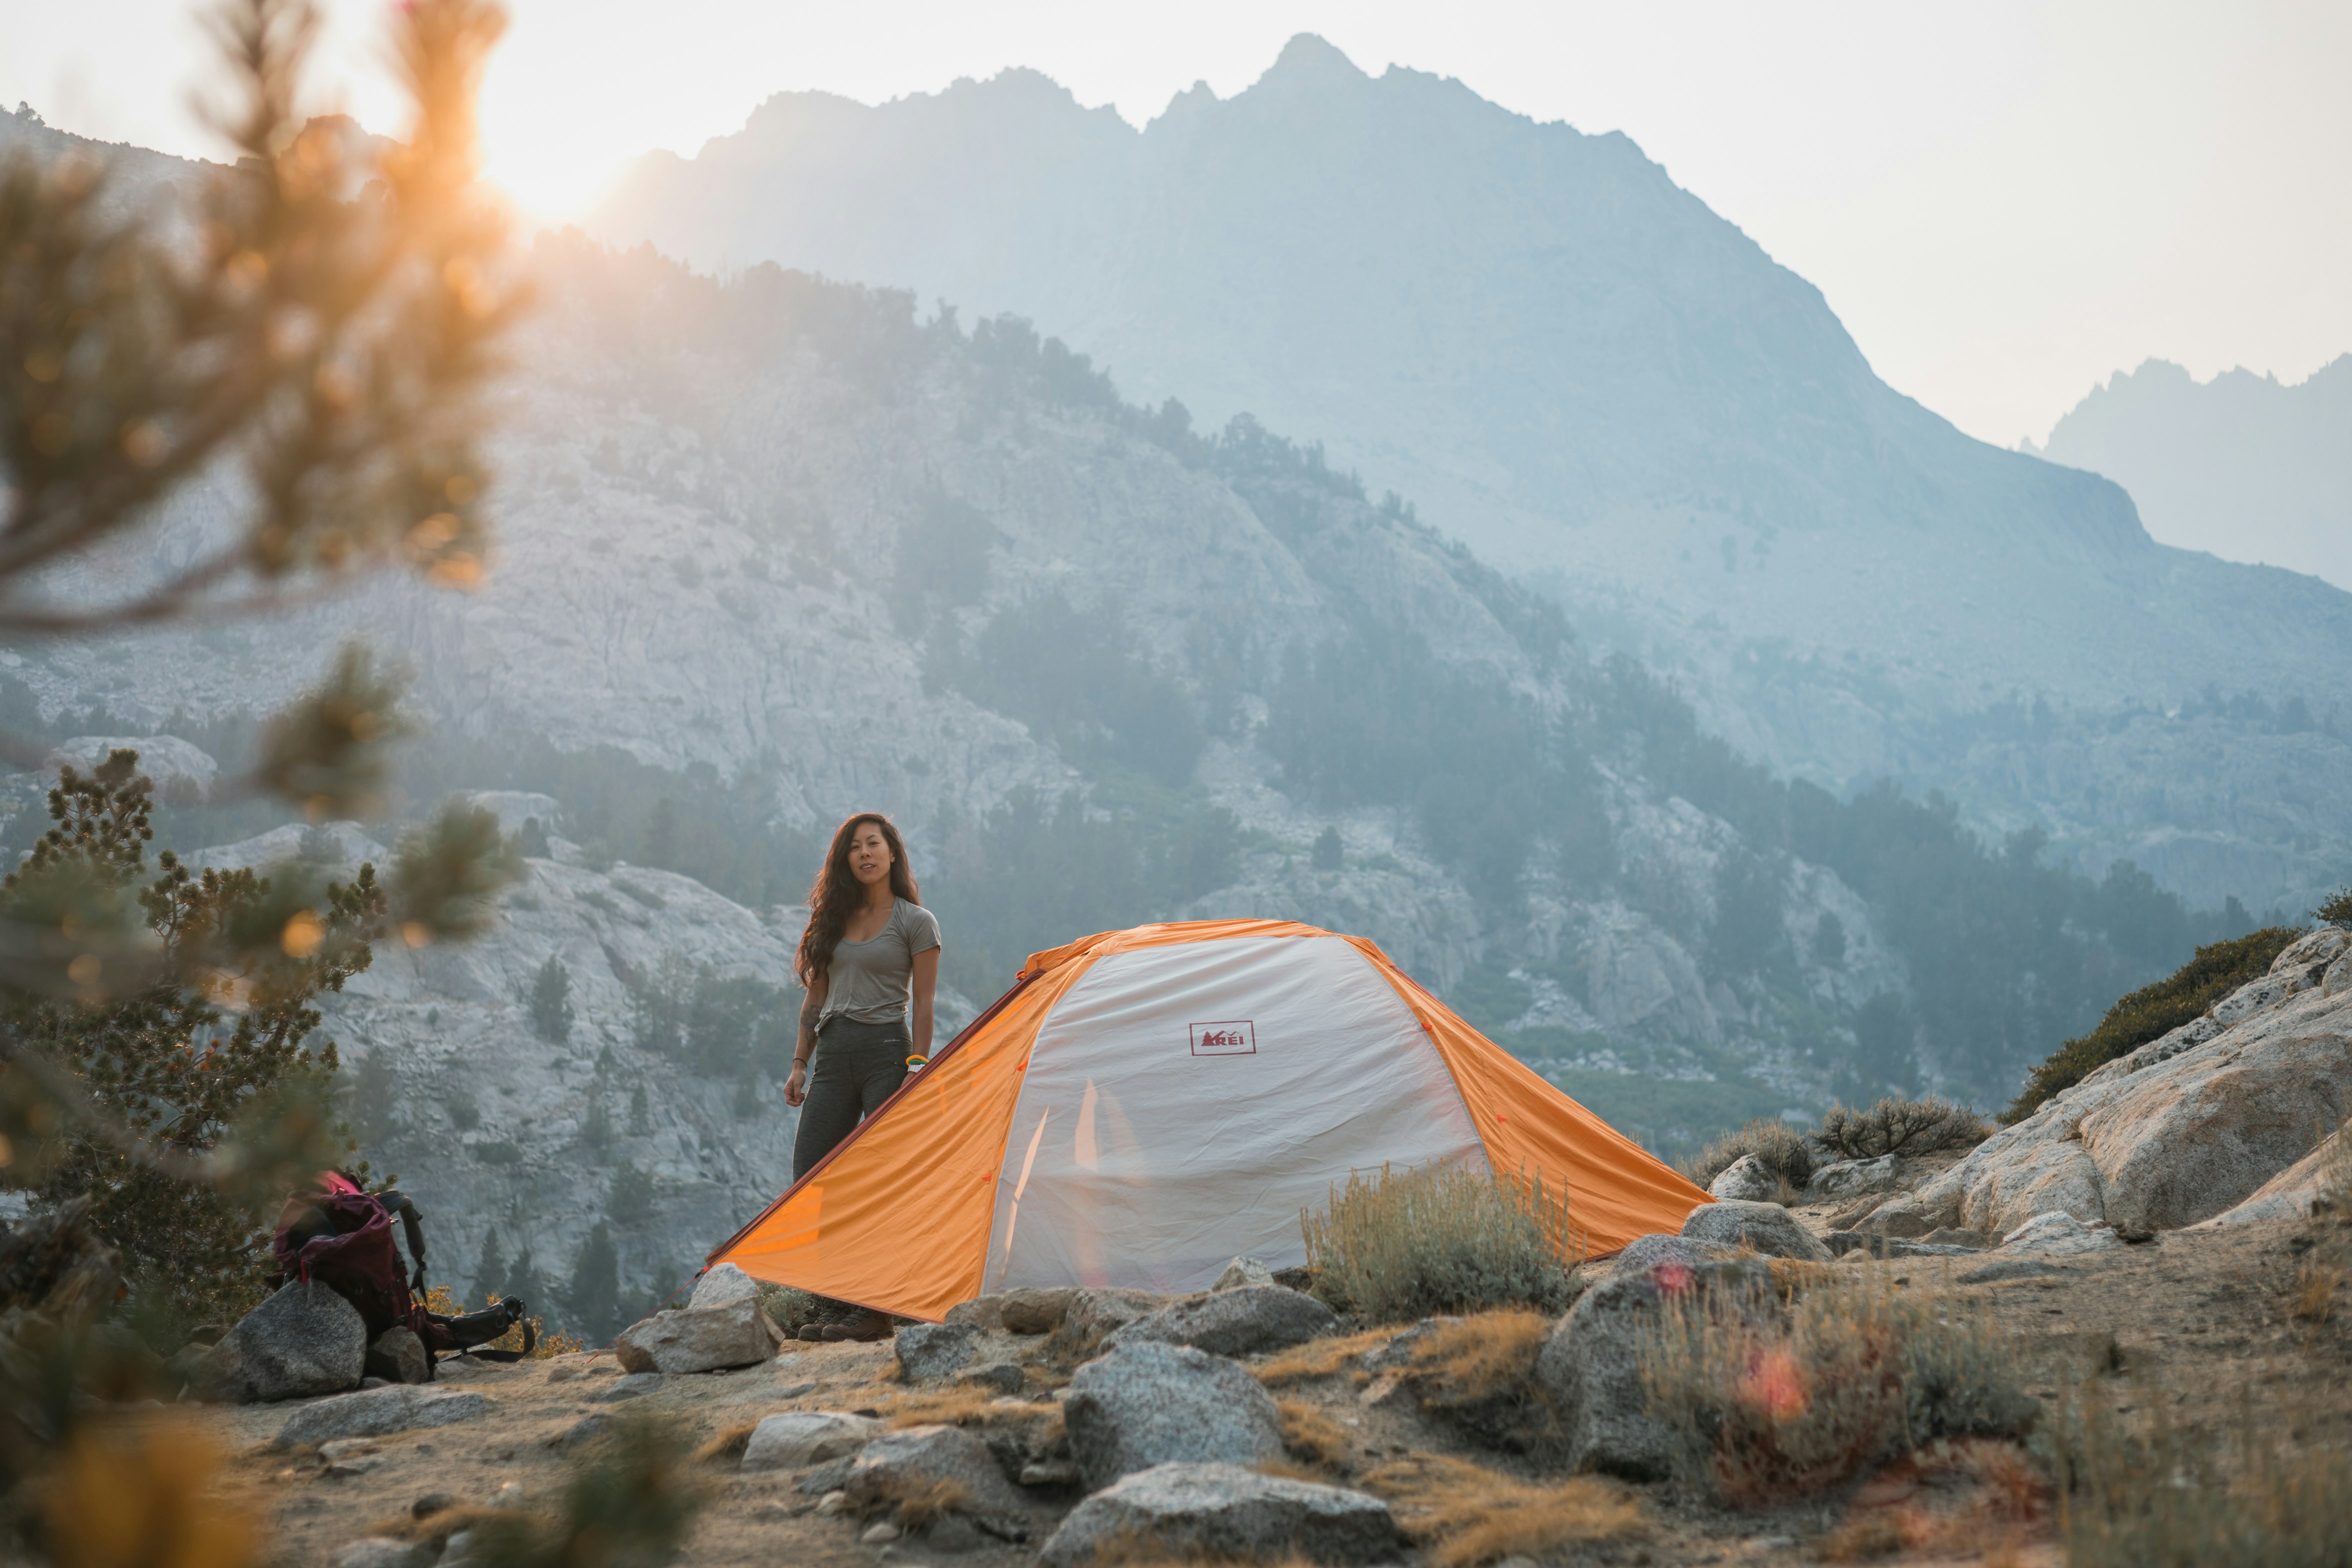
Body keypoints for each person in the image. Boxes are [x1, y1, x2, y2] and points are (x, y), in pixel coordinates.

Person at [784, 811, 940, 1342]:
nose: (865, 852)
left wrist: (917, 1066)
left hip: (886, 1054)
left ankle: (876, 1311)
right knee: (813, 1173)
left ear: (892, 853)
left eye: (874, 843)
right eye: (855, 846)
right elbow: (815, 997)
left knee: (880, 1178)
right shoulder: (834, 920)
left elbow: (923, 1004)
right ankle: (835, 1305)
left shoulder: (916, 922)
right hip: (833, 1053)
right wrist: (800, 1061)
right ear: (845, 859)